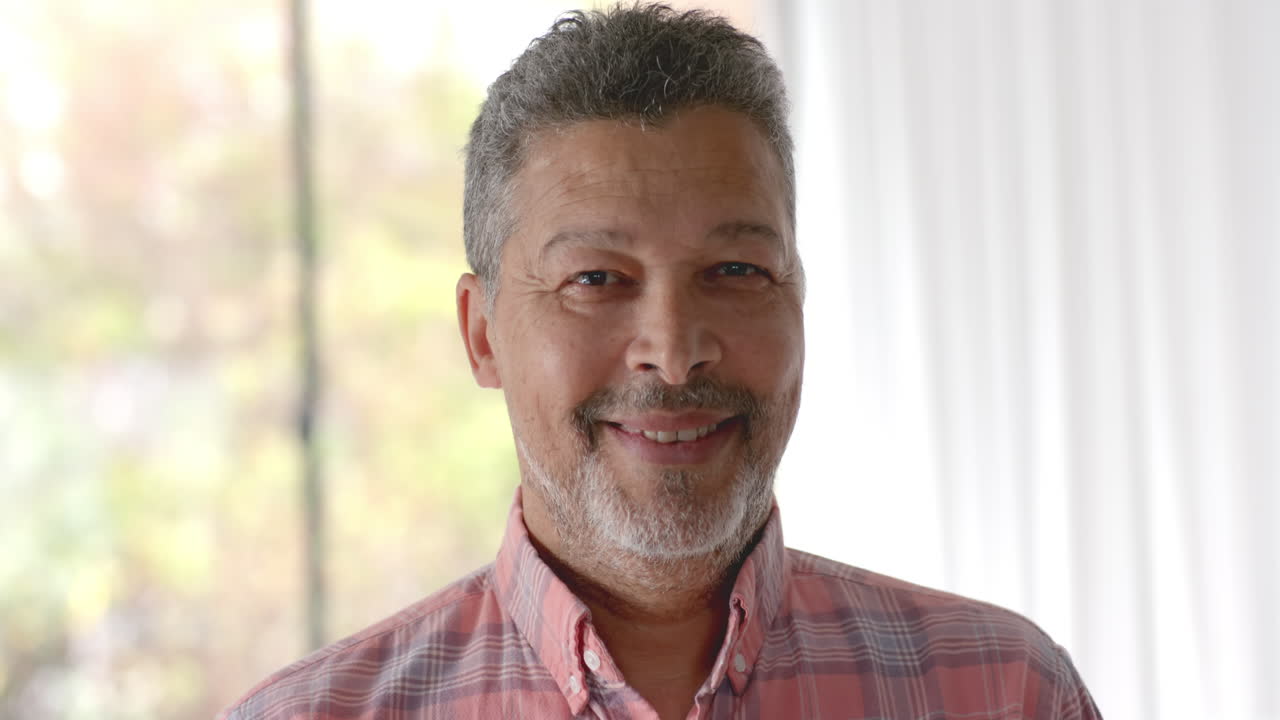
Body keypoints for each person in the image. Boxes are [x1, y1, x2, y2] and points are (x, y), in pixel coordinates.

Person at [220, 4, 1103, 719]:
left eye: (734, 271)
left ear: (797, 296)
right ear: (482, 333)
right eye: (597, 278)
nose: (674, 352)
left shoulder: (1003, 693)